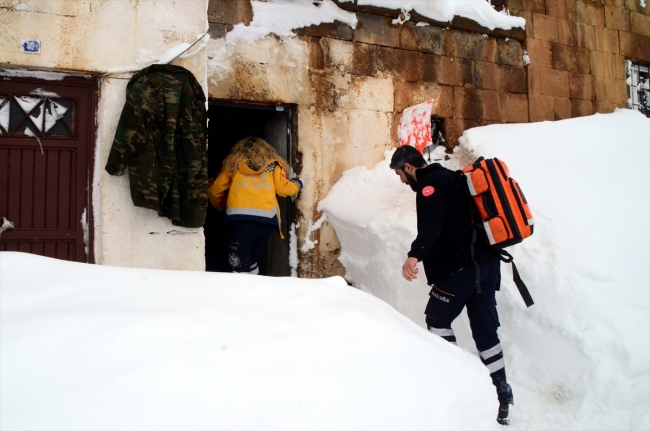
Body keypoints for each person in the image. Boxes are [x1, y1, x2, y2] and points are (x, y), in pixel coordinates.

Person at [390, 145, 513, 426]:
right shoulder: (451, 176)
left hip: (462, 270)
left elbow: (431, 225)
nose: (401, 180)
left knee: (437, 319)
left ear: (409, 167)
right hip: (487, 265)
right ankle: (502, 396)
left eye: (399, 174)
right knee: (485, 332)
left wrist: (414, 255)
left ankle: (458, 383)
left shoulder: (429, 186)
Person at [209, 136, 306, 274]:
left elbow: (215, 191)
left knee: (238, 265)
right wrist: (298, 183)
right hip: (265, 223)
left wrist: (218, 206)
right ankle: (254, 290)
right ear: (266, 150)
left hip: (239, 222)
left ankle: (239, 293)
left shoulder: (233, 165)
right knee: (253, 262)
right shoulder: (274, 166)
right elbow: (284, 189)